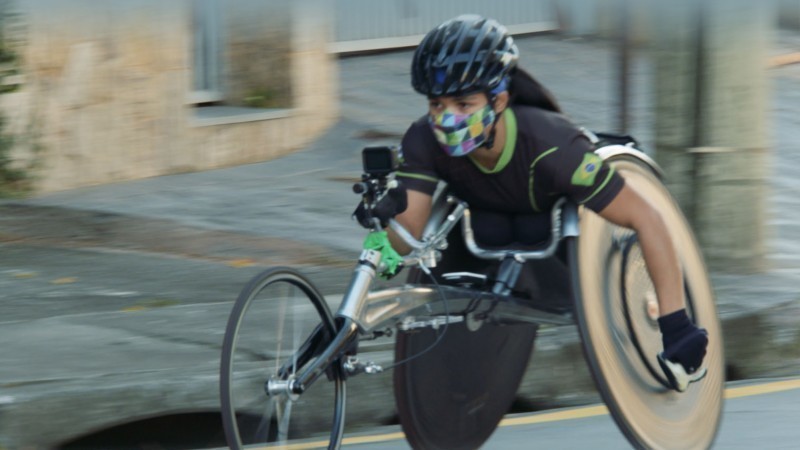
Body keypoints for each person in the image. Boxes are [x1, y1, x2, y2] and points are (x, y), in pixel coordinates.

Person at [365, 14, 708, 392]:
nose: (447, 119)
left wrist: (677, 327)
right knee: (489, 229)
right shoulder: (422, 140)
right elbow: (407, 233)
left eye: (463, 103)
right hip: (486, 233)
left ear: (499, 100)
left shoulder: (554, 147)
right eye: (436, 104)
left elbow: (648, 217)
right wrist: (381, 236)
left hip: (555, 242)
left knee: (530, 228)